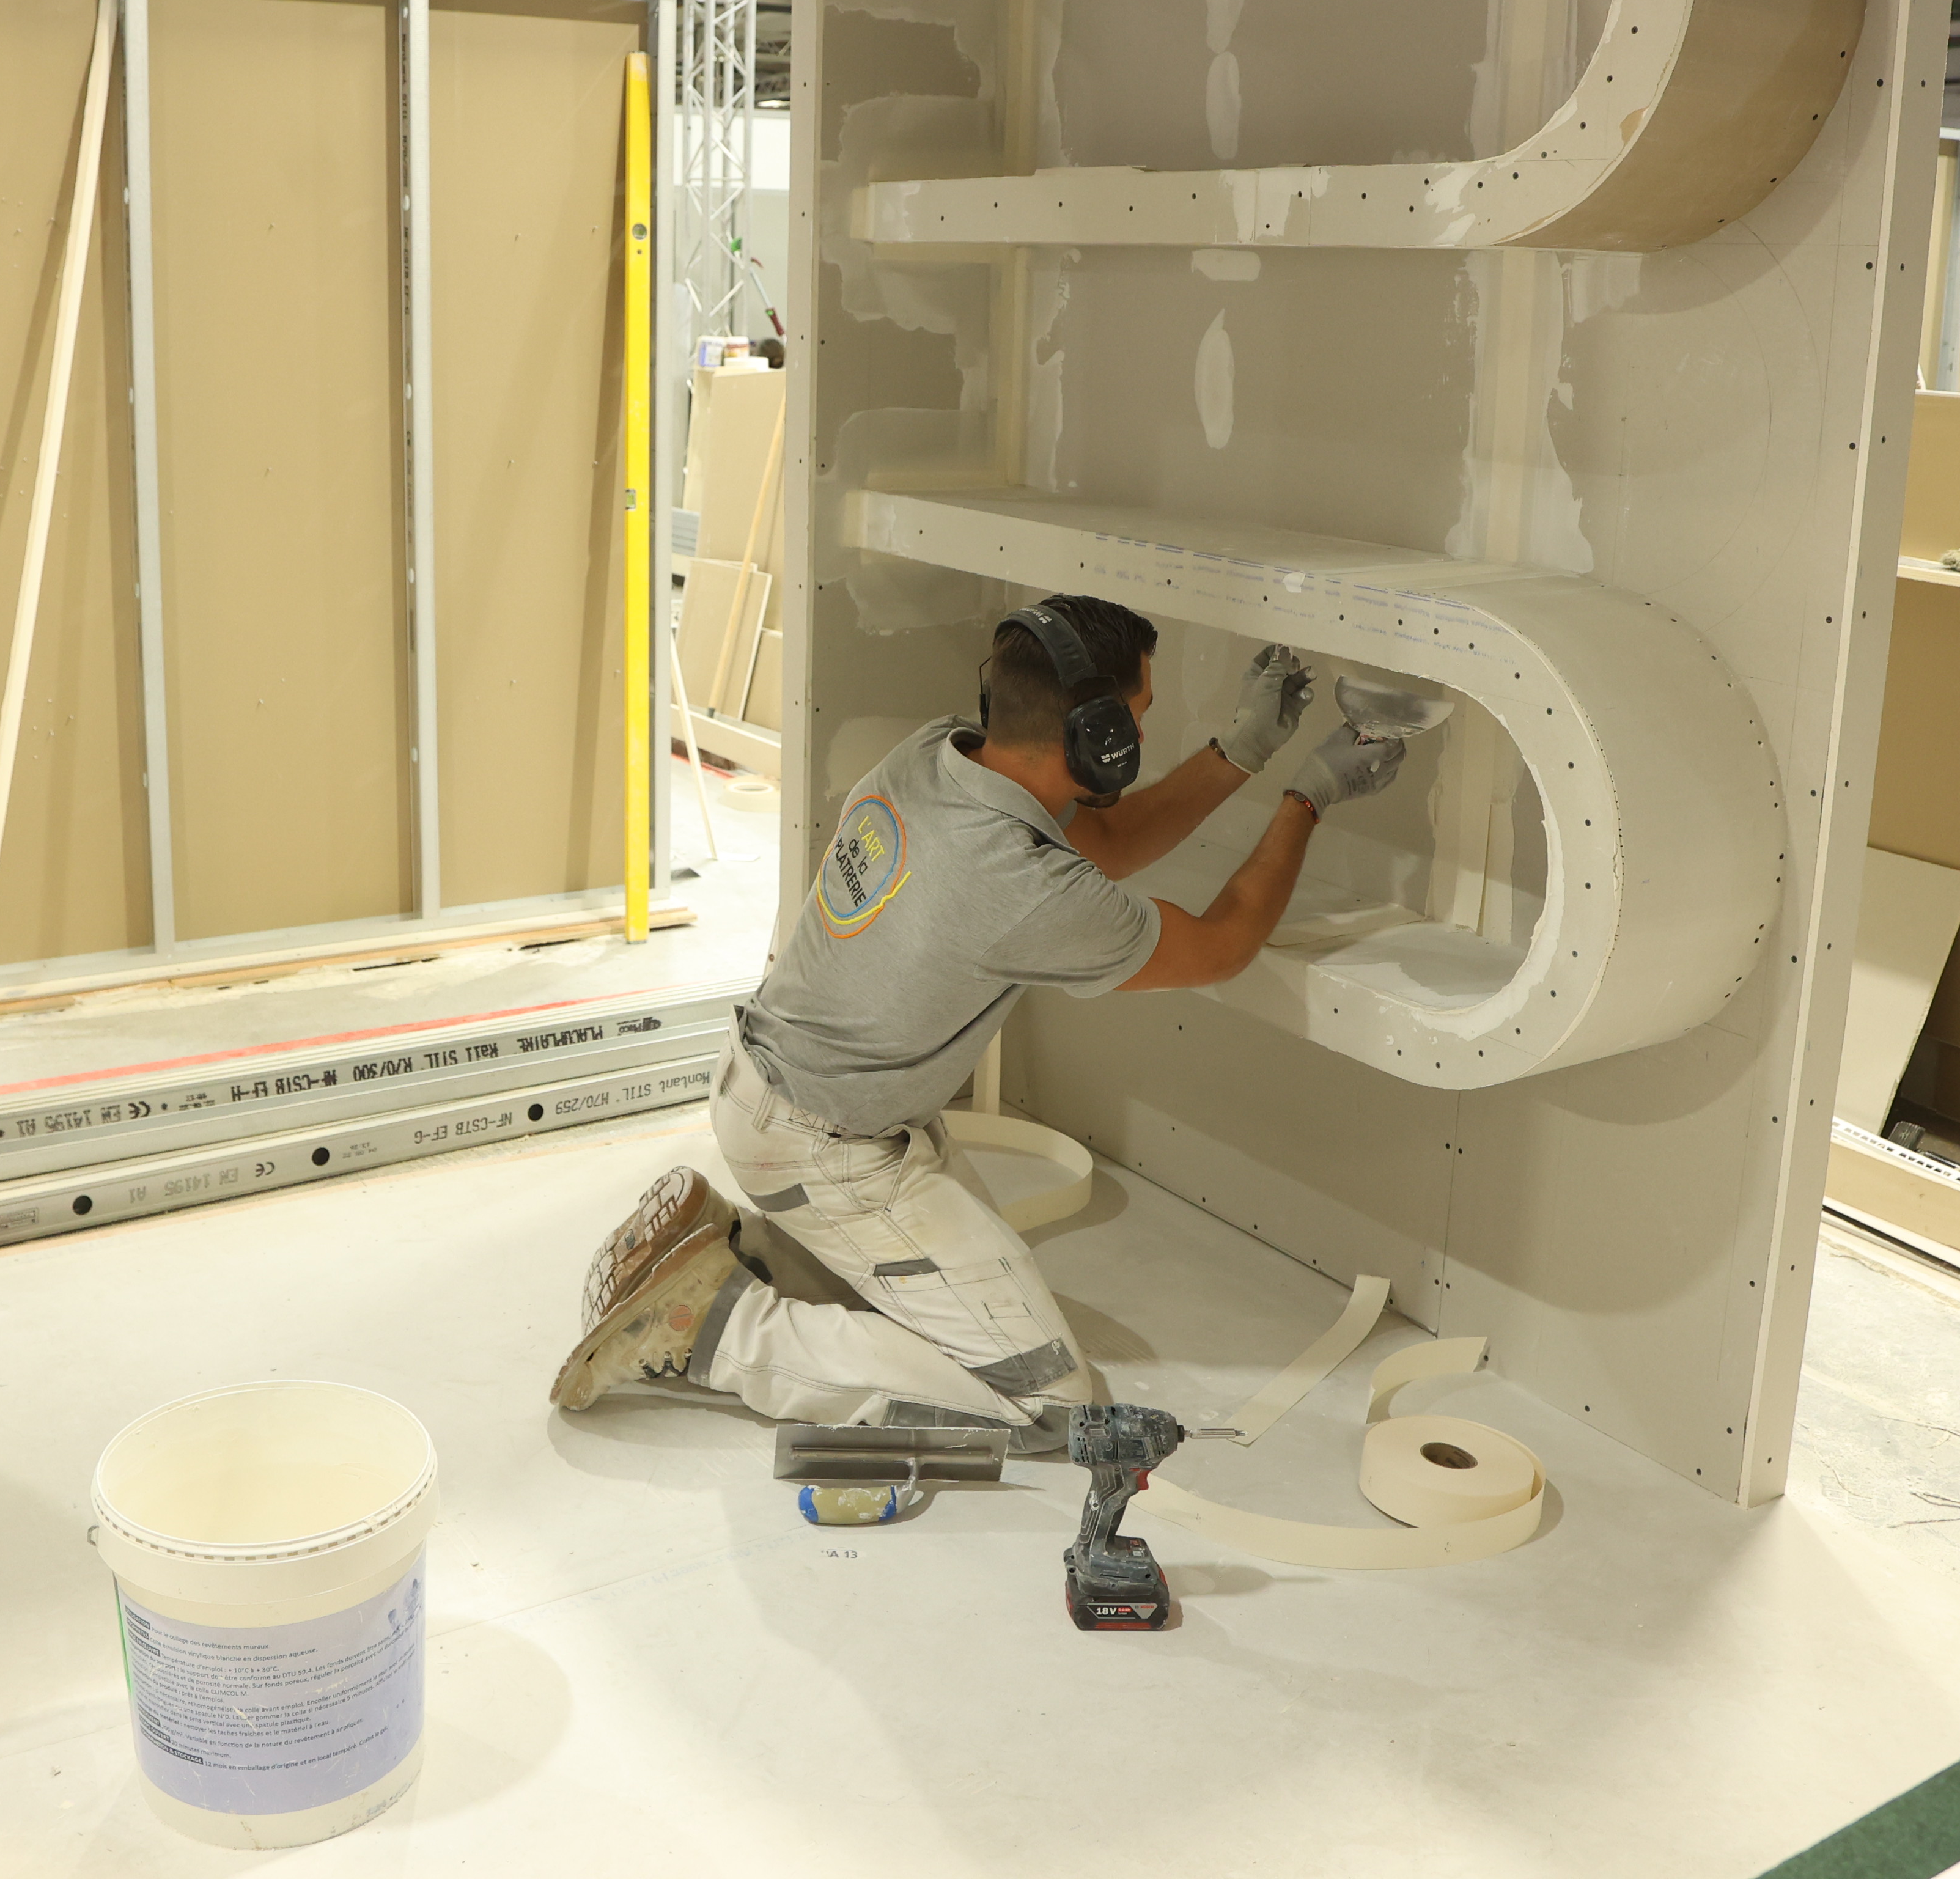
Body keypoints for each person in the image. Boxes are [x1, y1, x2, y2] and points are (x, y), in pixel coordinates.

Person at [550, 598, 1418, 1436]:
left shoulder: (940, 752)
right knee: (1047, 1400)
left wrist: (1241, 751)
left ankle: (740, 1251)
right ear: (1099, 736)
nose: (1143, 738)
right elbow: (1221, 946)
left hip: (775, 1094)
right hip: (830, 1151)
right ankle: (715, 1328)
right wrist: (1308, 798)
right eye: (1139, 719)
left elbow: (1112, 846)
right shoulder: (1021, 883)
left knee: (929, 1318)